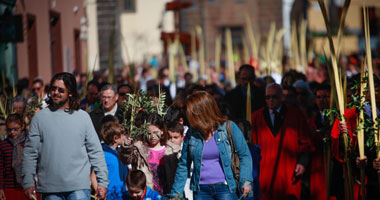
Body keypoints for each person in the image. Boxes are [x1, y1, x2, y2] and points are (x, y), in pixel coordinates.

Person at [22, 72, 109, 200]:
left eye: (61, 90)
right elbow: (30, 153)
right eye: (53, 88)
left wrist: (102, 182)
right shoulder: (40, 118)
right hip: (50, 189)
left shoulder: (83, 117)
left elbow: (95, 151)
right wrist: (28, 182)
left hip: (78, 188)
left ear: (70, 93)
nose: (56, 92)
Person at [170, 91, 253, 200]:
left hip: (225, 188)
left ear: (202, 112)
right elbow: (184, 165)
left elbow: (245, 155)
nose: (187, 115)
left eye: (191, 113)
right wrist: (175, 194)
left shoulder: (229, 127)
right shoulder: (191, 133)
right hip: (201, 191)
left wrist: (245, 180)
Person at [251, 83, 313, 200]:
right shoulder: (256, 117)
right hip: (264, 173)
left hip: (288, 170)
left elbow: (306, 142)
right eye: (267, 97)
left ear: (281, 97)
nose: (270, 100)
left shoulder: (295, 115)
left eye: (274, 97)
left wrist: (302, 163)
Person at [119, 113, 181, 195]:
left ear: (162, 131)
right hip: (146, 194)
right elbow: (126, 159)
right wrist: (126, 147)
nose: (152, 136)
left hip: (167, 194)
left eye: (155, 132)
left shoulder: (172, 150)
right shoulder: (139, 148)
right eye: (148, 133)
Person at [0, 114, 27, 200]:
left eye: (16, 129)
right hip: (9, 187)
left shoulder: (29, 143)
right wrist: (0, 188)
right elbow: (0, 168)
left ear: (22, 126)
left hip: (27, 187)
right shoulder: (3, 145)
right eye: (9, 130)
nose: (12, 132)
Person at [100, 121, 128, 200]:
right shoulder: (103, 154)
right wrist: (100, 193)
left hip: (121, 194)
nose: (125, 136)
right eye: (122, 134)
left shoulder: (119, 153)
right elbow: (93, 176)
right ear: (115, 138)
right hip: (110, 195)